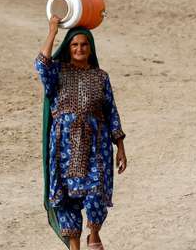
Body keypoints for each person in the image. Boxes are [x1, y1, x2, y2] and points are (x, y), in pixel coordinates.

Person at [36, 14, 127, 250]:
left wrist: (121, 147)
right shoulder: (57, 73)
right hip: (63, 147)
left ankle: (94, 233)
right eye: (75, 45)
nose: (79, 49)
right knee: (66, 199)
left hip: (96, 147)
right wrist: (53, 31)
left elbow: (111, 113)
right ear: (69, 47)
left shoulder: (101, 77)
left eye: (84, 44)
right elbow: (41, 63)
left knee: (96, 191)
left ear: (91, 48)